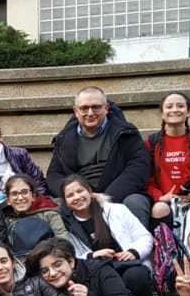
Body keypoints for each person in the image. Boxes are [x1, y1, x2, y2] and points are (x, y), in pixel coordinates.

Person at [43, 86, 152, 227]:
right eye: (84, 108)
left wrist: (108, 197)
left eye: (96, 107)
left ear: (106, 108)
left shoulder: (126, 133)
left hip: (118, 194)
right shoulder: (64, 138)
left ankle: (133, 248)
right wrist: (73, 195)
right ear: (76, 111)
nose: (90, 113)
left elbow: (139, 166)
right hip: (80, 196)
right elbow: (54, 174)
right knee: (54, 208)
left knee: (135, 202)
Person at [58, 175, 153, 296]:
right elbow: (71, 258)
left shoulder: (117, 210)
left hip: (128, 265)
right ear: (65, 202)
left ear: (90, 192)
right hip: (96, 272)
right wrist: (93, 255)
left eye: (80, 191)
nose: (76, 197)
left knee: (135, 276)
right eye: (70, 195)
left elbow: (145, 237)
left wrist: (133, 252)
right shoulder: (66, 226)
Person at [145, 91, 190, 221]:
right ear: (162, 113)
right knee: (159, 209)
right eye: (169, 106)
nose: (175, 110)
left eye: (180, 106)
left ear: (188, 111)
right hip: (163, 203)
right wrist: (160, 197)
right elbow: (145, 179)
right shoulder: (151, 143)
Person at [0, 173, 67, 260]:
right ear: (8, 200)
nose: (20, 198)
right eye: (14, 194)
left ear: (33, 196)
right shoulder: (4, 219)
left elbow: (63, 242)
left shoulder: (49, 214)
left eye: (25, 192)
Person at [0, 119, 49, 200]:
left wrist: (36, 202)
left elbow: (38, 180)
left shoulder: (20, 154)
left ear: (1, 137)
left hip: (23, 202)